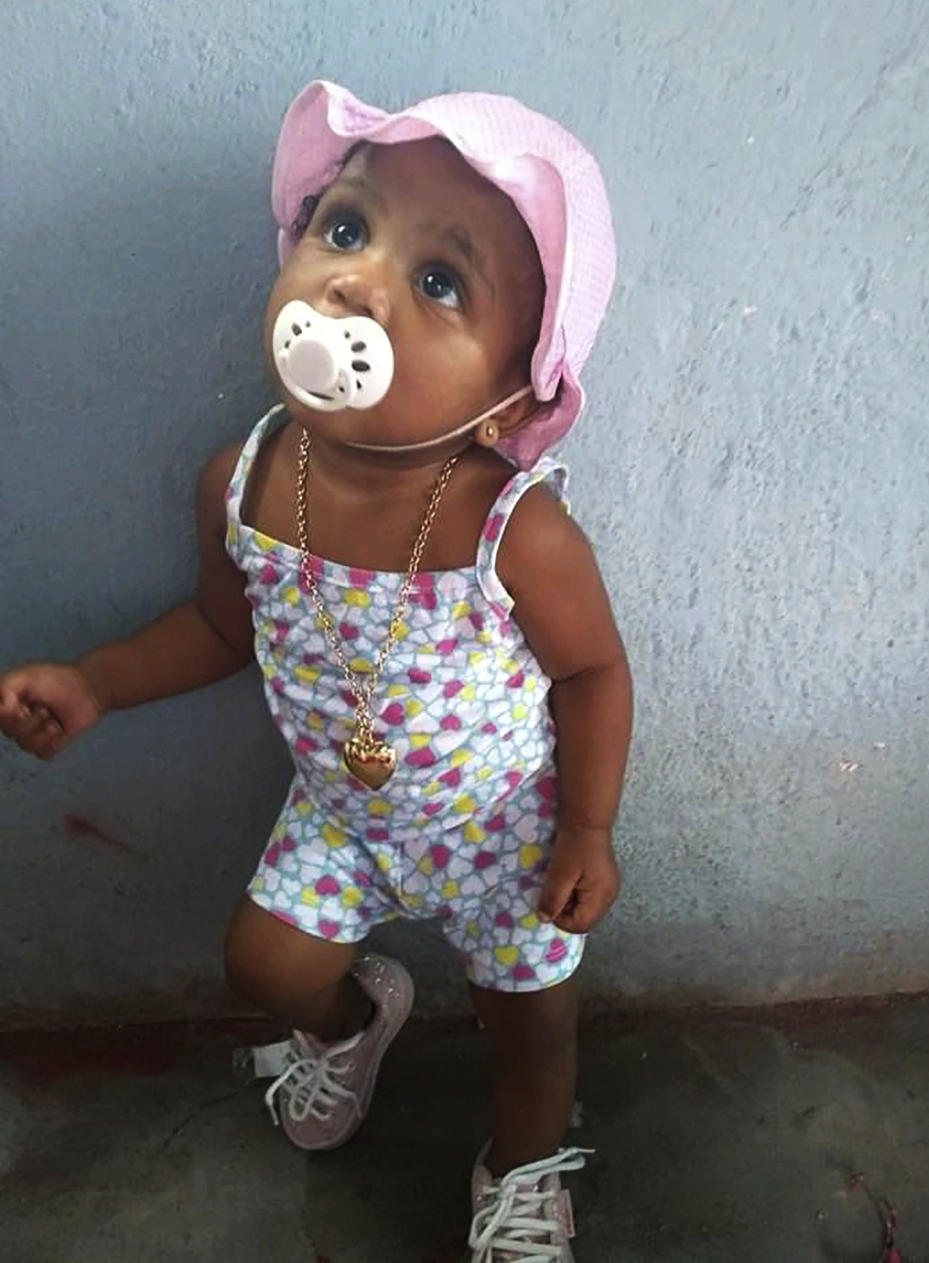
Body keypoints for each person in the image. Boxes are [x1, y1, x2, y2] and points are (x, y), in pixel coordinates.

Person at [0, 80, 632, 1261]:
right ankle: (352, 1026)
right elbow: (217, 626)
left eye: (438, 282)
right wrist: (96, 682)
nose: (354, 281)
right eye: (346, 229)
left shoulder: (515, 528)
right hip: (342, 812)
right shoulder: (239, 482)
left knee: (531, 1024)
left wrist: (587, 827)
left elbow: (593, 672)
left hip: (506, 829)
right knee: (266, 961)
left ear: (518, 392)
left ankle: (522, 1161)